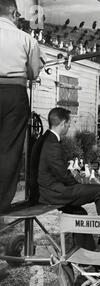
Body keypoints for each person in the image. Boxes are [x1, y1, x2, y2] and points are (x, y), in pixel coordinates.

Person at [37, 107, 100, 251]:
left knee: (80, 214)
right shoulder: (52, 144)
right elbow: (63, 175)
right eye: (69, 124)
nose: (69, 127)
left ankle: (86, 254)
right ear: (63, 123)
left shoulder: (46, 138)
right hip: (56, 192)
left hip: (49, 190)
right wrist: (79, 184)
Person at [0, 0, 44, 213]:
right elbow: (34, 74)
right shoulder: (27, 39)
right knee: (9, 151)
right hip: (14, 93)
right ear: (15, 13)